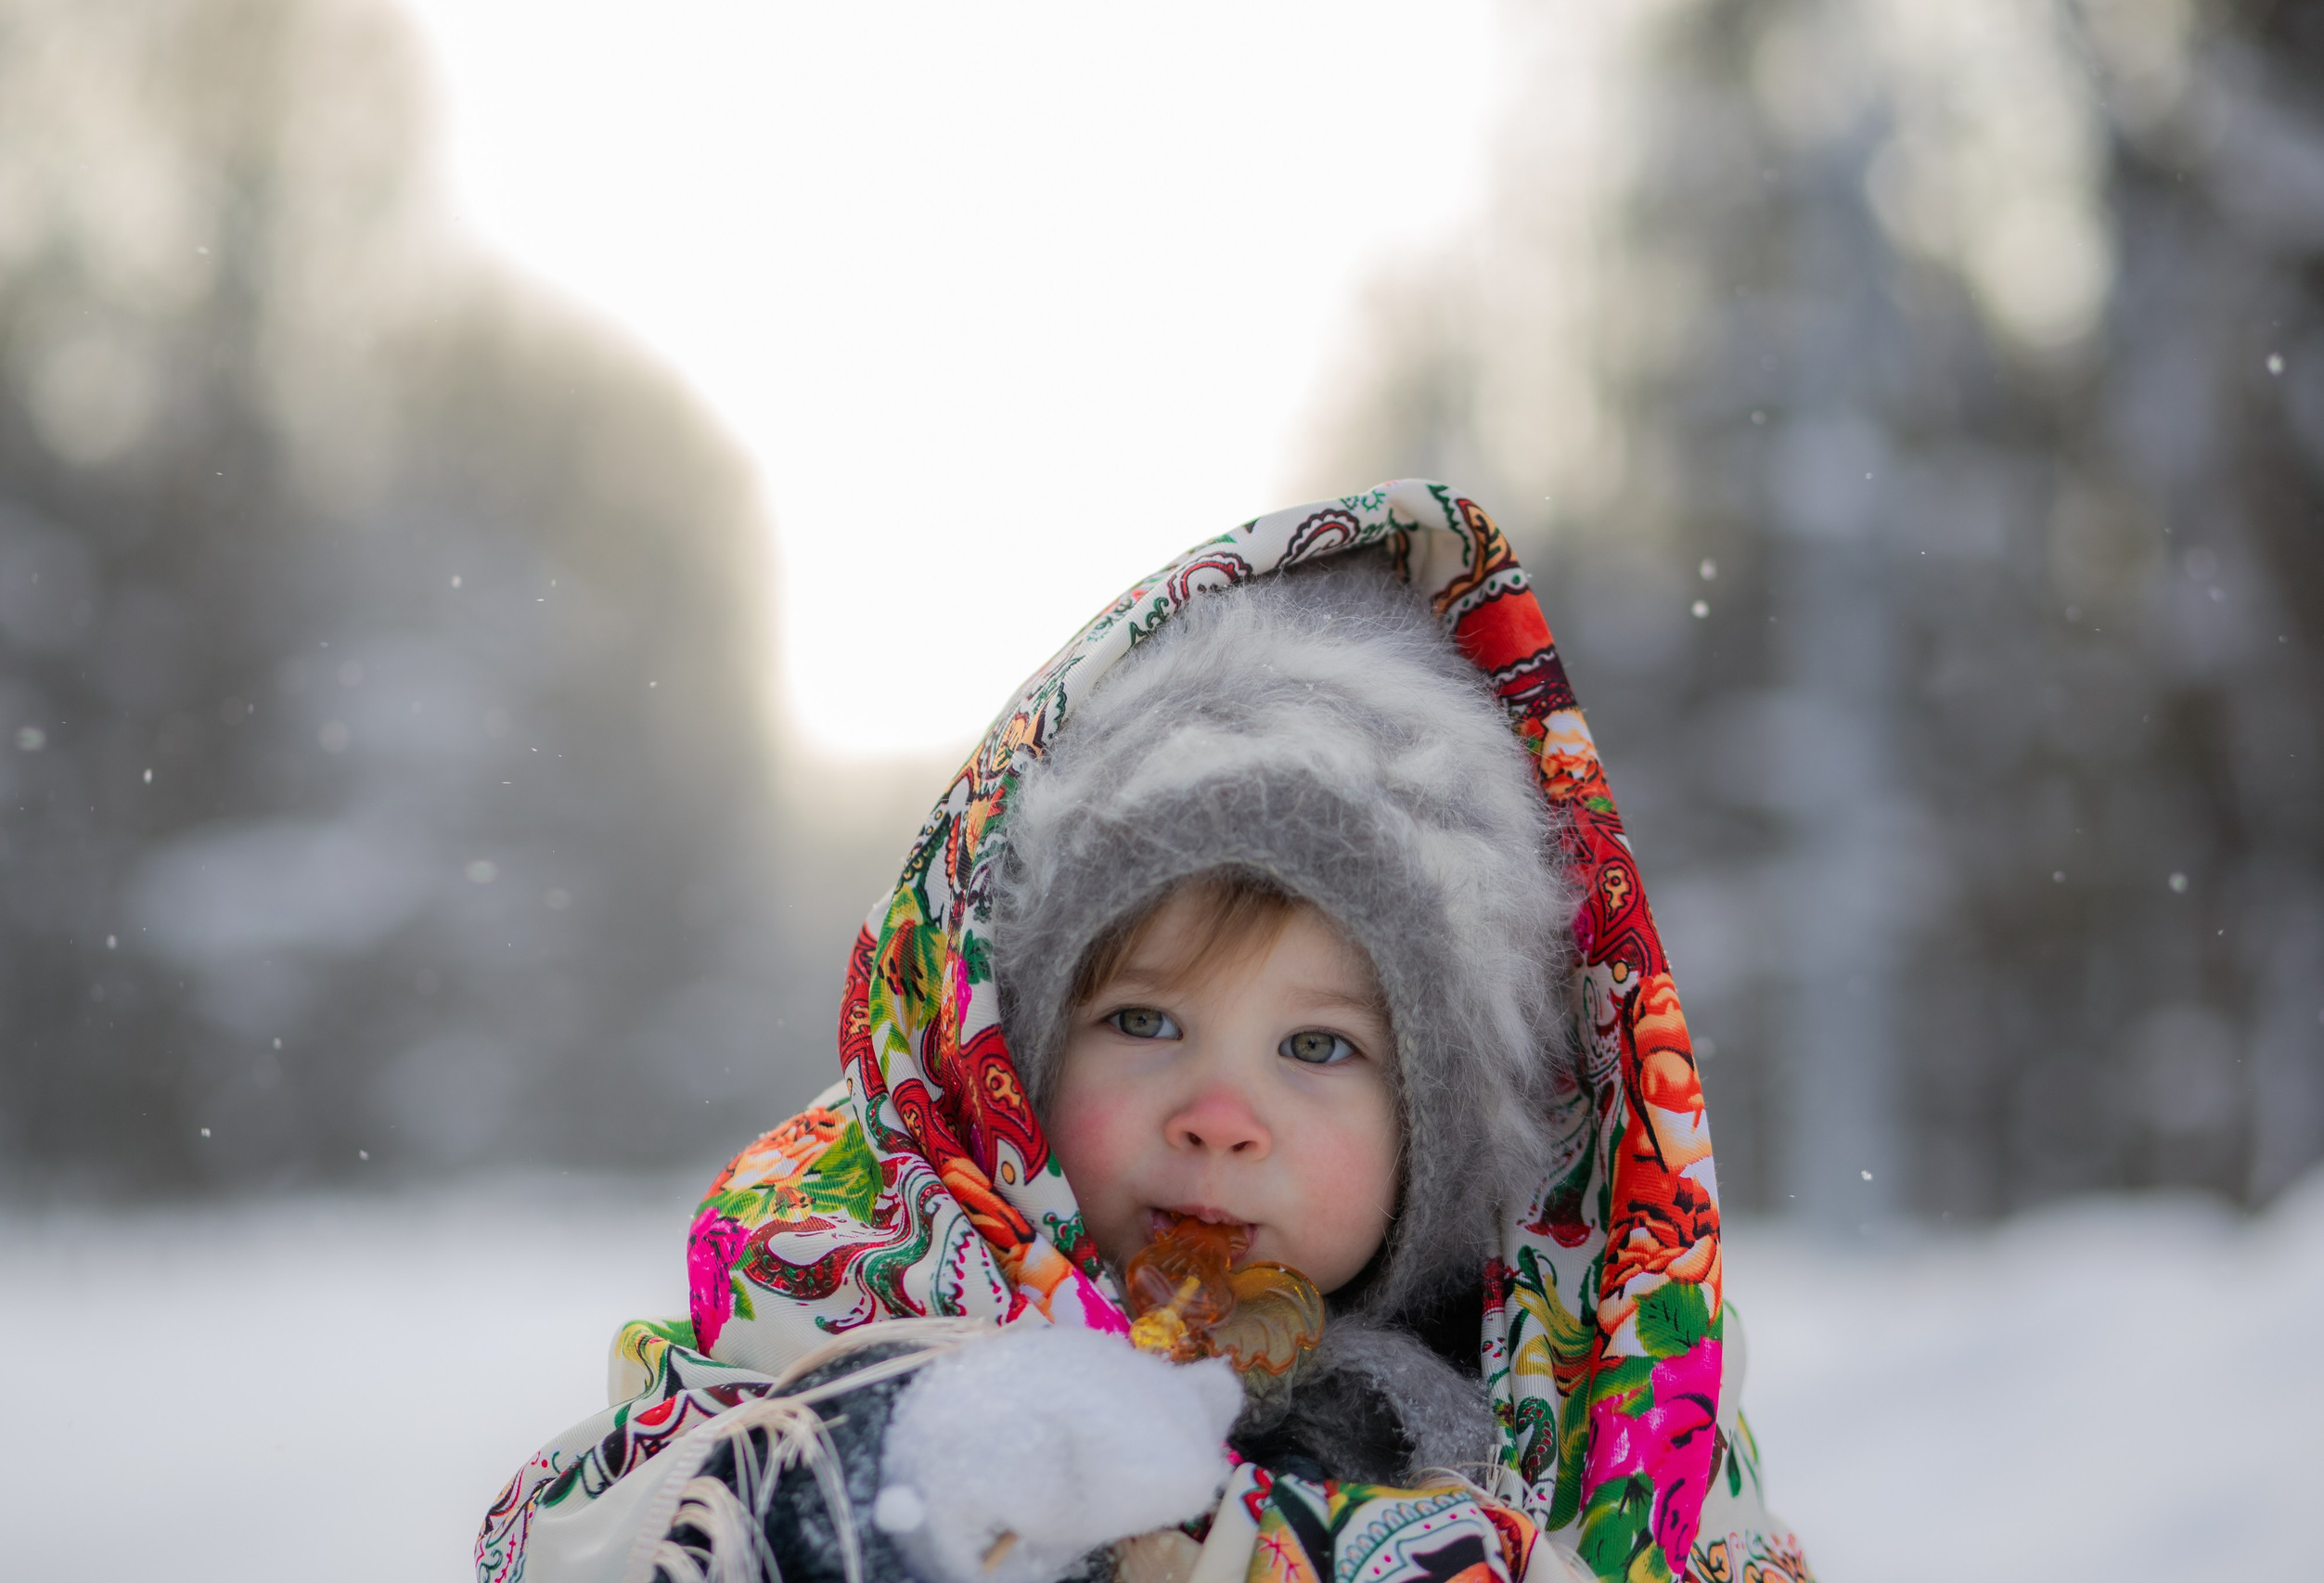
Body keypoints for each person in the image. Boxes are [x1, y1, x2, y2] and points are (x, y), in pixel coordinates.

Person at [477, 483, 1812, 1583]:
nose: (1219, 1116)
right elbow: (569, 1533)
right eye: (1144, 1019)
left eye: (1318, 1047)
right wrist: (854, 1489)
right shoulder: (856, 1288)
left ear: (1442, 1133)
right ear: (1012, 1056)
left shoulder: (1586, 1409)